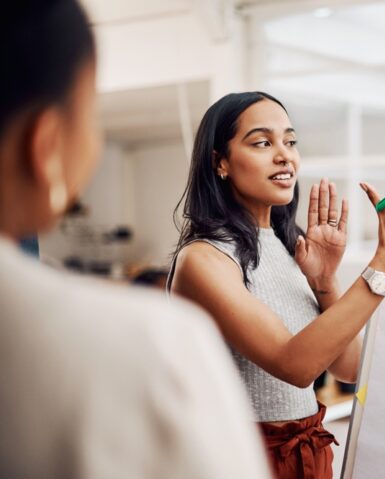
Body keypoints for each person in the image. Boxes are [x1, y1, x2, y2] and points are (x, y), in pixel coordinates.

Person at [0, 1, 270, 477]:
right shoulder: (155, 342)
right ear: (46, 144)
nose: (285, 158)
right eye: (91, 114)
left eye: (289, 141)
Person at [168, 91, 385, 478]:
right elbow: (296, 366)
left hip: (306, 453)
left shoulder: (288, 247)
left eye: (290, 141)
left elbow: (349, 366)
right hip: (242, 459)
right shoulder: (203, 259)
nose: (284, 155)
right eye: (262, 142)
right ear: (219, 162)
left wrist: (324, 284)